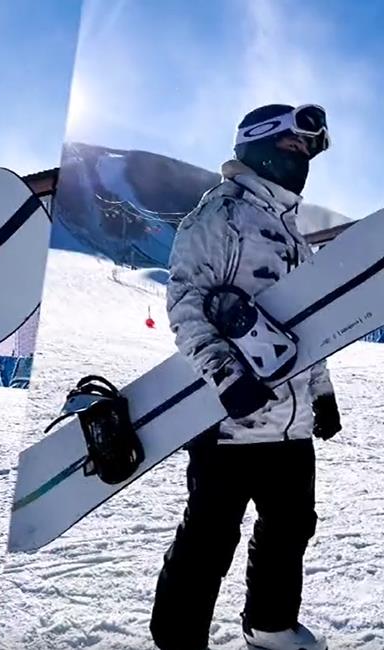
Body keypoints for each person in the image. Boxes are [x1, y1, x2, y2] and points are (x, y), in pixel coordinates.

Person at [152, 104, 340, 650]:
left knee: (290, 529)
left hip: (291, 427)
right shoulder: (221, 215)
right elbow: (186, 304)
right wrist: (225, 376)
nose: (301, 158)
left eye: (307, 151)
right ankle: (177, 638)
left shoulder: (293, 233)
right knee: (209, 538)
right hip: (229, 422)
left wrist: (321, 394)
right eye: (292, 146)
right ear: (257, 145)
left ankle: (271, 624)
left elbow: (312, 325)